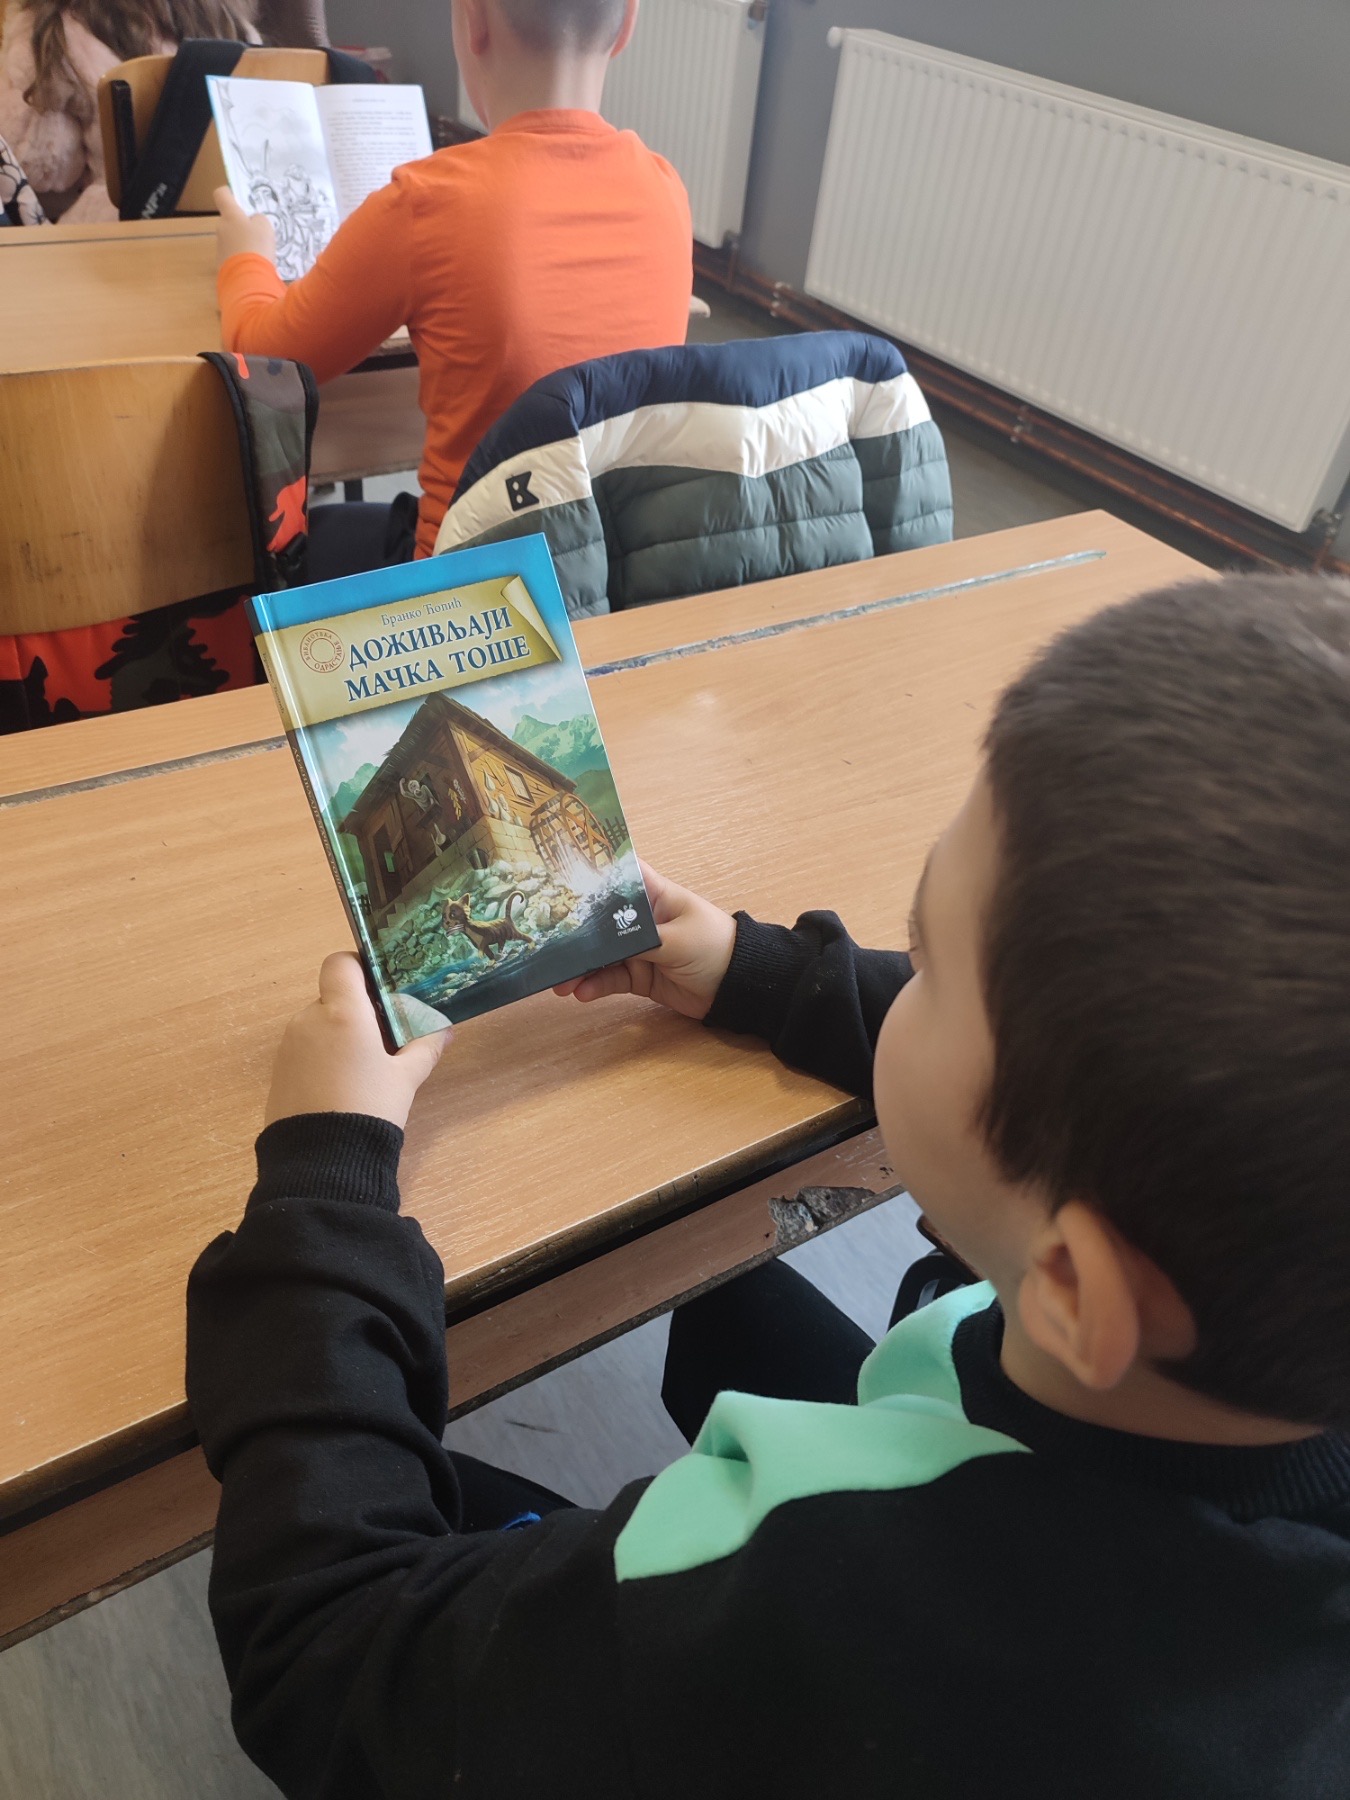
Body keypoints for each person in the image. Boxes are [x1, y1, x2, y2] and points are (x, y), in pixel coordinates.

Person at [186, 573, 1350, 1798]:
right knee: (732, 1311)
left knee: (437, 1491)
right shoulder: (1247, 1300)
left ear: (1069, 1285)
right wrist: (757, 970)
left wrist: (326, 1170)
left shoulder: (837, 1611)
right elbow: (1094, 1083)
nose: (907, 976)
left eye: (930, 964)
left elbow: (327, 1655)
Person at [212, 0, 693, 576]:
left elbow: (263, 360)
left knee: (282, 544)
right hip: (608, 575)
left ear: (474, 20)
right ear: (628, 22)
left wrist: (244, 256)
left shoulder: (429, 202)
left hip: (465, 592)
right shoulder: (667, 191)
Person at [0, 0, 258, 221]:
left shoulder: (53, 28)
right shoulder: (231, 22)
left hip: (126, 225)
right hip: (241, 222)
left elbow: (42, 164)